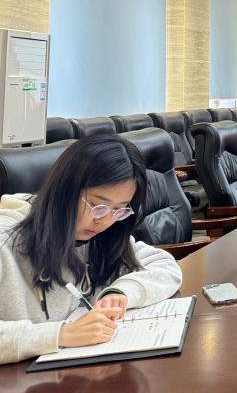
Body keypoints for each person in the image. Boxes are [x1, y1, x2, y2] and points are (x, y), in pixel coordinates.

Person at [0, 134, 183, 365]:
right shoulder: (6, 242)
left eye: (120, 209)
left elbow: (164, 265)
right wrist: (61, 334)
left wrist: (120, 293)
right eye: (98, 205)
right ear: (64, 189)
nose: (105, 220)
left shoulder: (99, 236)